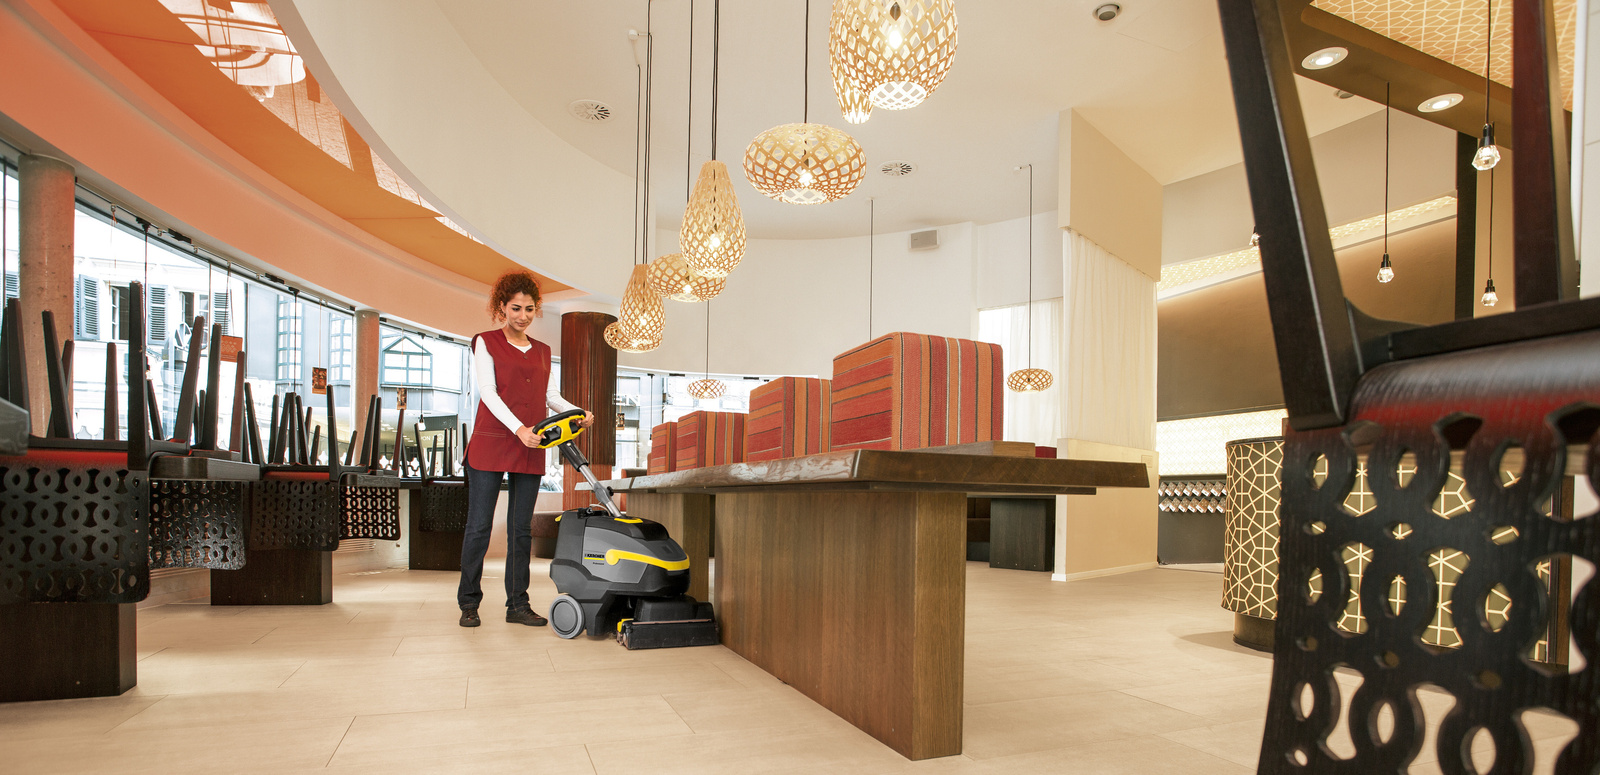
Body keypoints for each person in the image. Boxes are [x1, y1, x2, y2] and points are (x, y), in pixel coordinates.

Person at [458, 271, 592, 627]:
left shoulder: (544, 351)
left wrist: (576, 413)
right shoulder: (485, 342)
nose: (522, 315)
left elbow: (549, 397)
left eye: (529, 309)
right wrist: (517, 428)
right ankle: (468, 604)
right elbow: (488, 392)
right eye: (515, 308)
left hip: (530, 444)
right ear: (501, 307)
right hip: (493, 442)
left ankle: (517, 605)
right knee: (479, 527)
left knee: (521, 529)